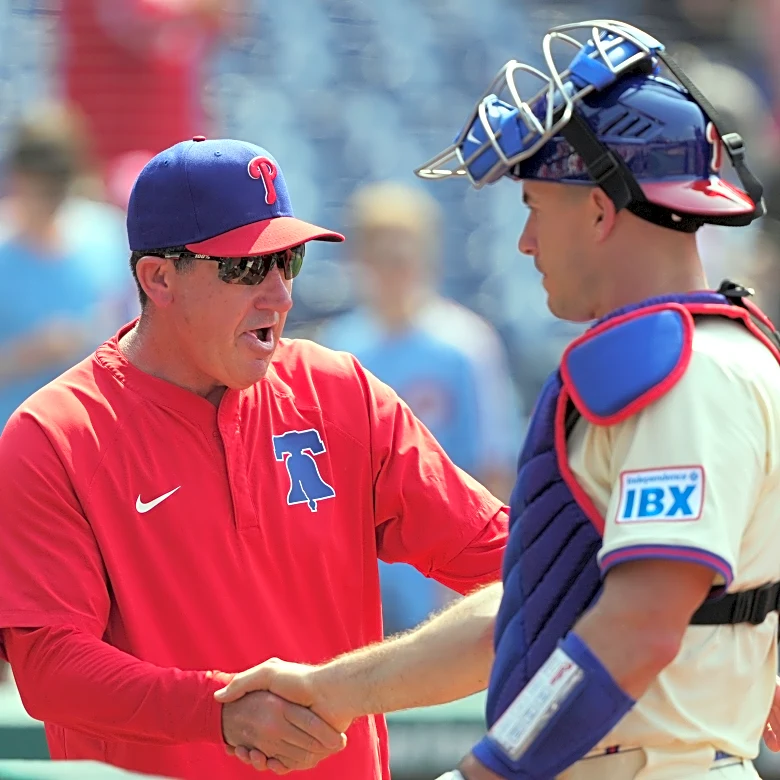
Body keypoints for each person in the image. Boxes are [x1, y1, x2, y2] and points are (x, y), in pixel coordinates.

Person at [214, 19, 780, 780]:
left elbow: (639, 627)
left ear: (600, 211)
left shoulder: (676, 373)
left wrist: (491, 772)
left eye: (536, 206)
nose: (524, 242)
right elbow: (543, 608)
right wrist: (336, 690)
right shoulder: (728, 350)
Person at [0, 136, 509, 780]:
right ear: (159, 277)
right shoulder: (53, 434)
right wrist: (221, 712)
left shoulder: (341, 392)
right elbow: (49, 670)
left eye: (288, 260)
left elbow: (515, 563)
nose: (280, 295)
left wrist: (362, 684)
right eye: (246, 268)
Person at [321, 181, 522, 634]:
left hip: (441, 562)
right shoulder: (341, 348)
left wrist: (474, 575)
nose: (396, 269)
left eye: (405, 254)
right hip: (365, 562)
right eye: (382, 255)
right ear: (360, 262)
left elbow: (491, 467)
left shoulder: (465, 345)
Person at [0, 102, 132, 431]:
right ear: (17, 177)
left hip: (96, 436)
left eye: (55, 186)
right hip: (13, 444)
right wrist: (28, 355)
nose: (47, 199)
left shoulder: (109, 234)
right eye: (38, 185)